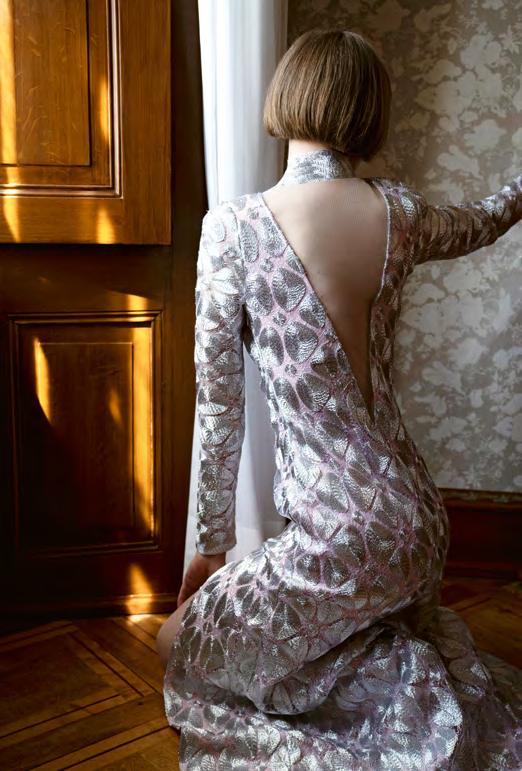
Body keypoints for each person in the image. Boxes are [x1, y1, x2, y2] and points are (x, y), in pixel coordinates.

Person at [157, 28, 522, 770]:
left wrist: (211, 549)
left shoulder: (232, 228)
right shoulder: (400, 212)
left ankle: (397, 689)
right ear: (368, 111)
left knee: (174, 644)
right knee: (344, 633)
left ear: (287, 97)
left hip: (338, 535)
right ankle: (400, 661)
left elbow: (221, 409)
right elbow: (484, 219)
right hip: (419, 524)